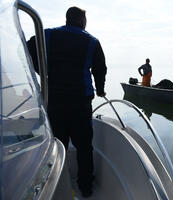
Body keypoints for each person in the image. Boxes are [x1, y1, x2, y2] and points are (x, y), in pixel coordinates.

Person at [27, 6, 107, 197]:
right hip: (80, 104)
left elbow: (29, 48)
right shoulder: (92, 41)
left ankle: (57, 187)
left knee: (57, 145)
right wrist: (102, 89)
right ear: (82, 21)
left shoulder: (47, 36)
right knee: (84, 146)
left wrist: (43, 72)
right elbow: (100, 69)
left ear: (67, 19)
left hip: (54, 102)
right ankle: (85, 187)